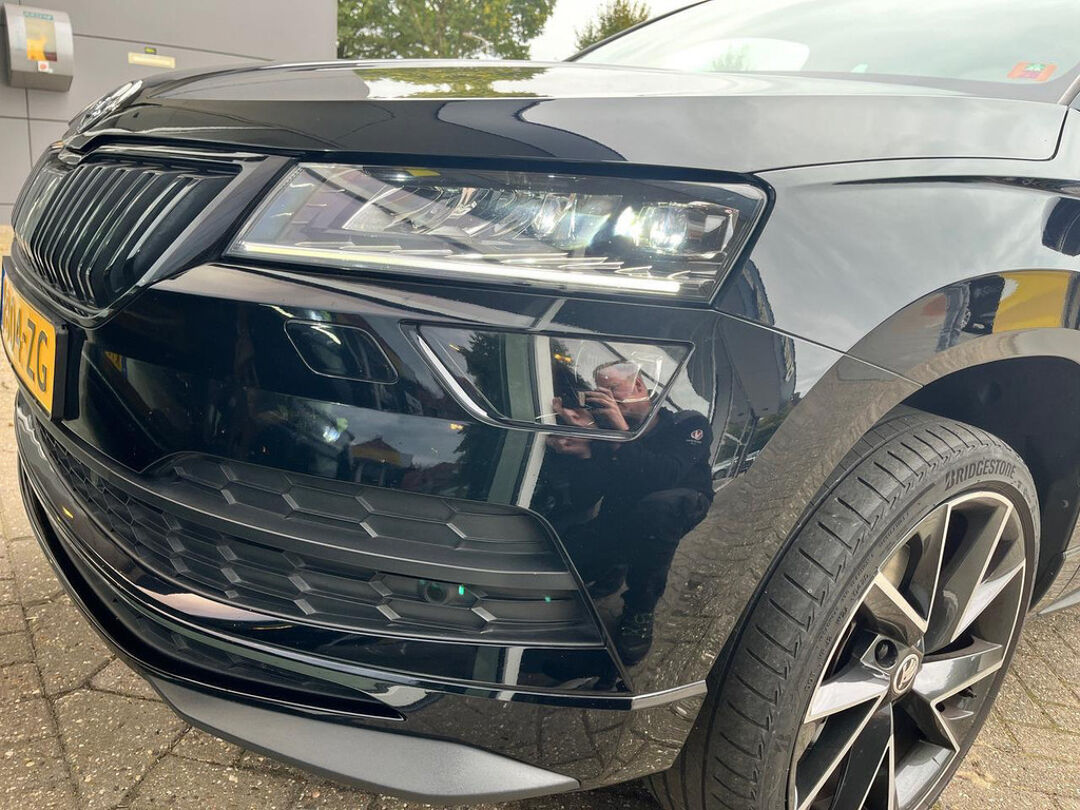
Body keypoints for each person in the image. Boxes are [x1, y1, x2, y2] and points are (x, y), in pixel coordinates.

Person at [548, 360, 713, 664]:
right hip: (625, 508)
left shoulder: (688, 424)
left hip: (682, 503)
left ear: (638, 385)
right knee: (567, 555)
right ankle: (613, 564)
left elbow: (664, 476)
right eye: (598, 392)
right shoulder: (605, 432)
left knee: (659, 510)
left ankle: (640, 608)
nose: (605, 398)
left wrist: (621, 433)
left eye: (612, 389)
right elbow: (586, 496)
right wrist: (584, 452)